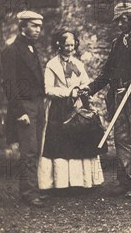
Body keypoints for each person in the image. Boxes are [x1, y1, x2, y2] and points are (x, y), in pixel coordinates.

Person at [86, 2, 131, 198]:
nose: (118, 24)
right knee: (121, 138)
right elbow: (107, 72)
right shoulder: (118, 43)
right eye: (116, 21)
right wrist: (89, 89)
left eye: (122, 20)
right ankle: (125, 180)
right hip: (118, 96)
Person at [38, 30, 106, 191]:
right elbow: (48, 89)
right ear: (59, 45)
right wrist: (69, 92)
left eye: (72, 45)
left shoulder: (78, 64)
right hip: (59, 109)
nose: (69, 48)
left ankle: (82, 182)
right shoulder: (52, 65)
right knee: (59, 144)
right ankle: (60, 183)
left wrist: (83, 91)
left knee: (81, 141)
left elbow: (85, 82)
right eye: (66, 45)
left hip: (78, 107)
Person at [0, 10, 47, 207]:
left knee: (35, 149)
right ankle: (28, 193)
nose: (38, 30)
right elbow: (9, 84)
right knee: (28, 151)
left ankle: (31, 189)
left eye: (39, 26)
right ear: (22, 27)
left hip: (37, 103)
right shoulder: (12, 50)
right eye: (34, 26)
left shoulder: (31, 48)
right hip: (25, 106)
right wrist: (20, 112)